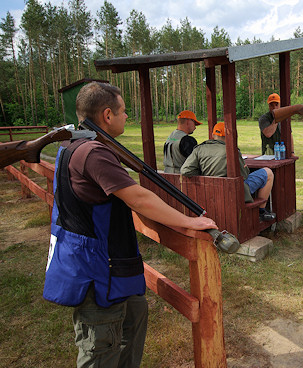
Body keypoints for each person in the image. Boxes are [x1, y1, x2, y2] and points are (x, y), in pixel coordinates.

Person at [42, 82, 218, 367]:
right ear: (107, 115)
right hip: (97, 273)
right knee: (100, 349)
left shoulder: (71, 144)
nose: (128, 117)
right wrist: (189, 220)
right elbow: (138, 198)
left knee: (135, 314)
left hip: (105, 265)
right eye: (124, 111)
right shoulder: (94, 152)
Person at [181, 122, 276, 222]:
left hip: (208, 193)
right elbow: (244, 175)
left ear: (213, 135)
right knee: (268, 173)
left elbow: (185, 170)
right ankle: (261, 211)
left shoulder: (199, 149)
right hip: (233, 192)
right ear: (229, 136)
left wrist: (203, 175)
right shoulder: (232, 150)